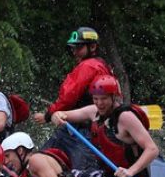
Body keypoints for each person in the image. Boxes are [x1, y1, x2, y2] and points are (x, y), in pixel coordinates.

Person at [51, 74, 159, 177]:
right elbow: (63, 114)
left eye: (104, 99)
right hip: (107, 176)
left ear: (114, 97)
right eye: (95, 98)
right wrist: (57, 115)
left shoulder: (125, 117)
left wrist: (130, 171)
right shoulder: (93, 112)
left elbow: (152, 149)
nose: (99, 103)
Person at [34, 27, 113, 169]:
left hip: (82, 132)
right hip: (80, 128)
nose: (74, 52)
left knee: (41, 163)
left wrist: (48, 115)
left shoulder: (88, 66)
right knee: (42, 161)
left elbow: (68, 96)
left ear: (93, 46)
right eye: (73, 48)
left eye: (79, 47)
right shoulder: (103, 65)